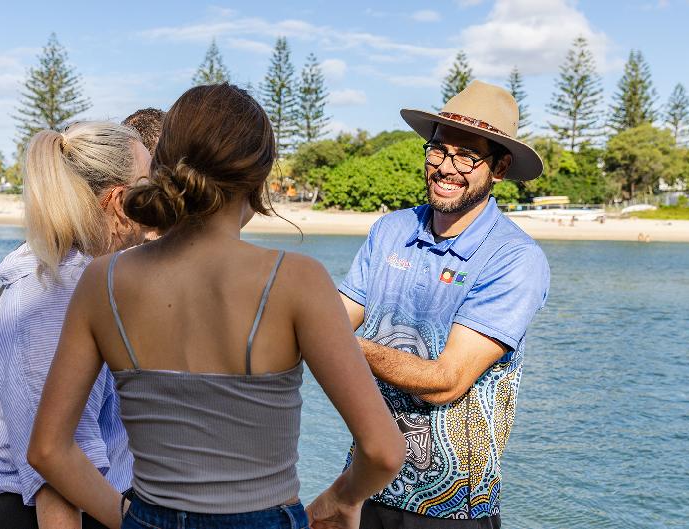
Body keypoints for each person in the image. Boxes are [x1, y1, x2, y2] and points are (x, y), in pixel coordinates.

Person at [27, 83, 405, 529]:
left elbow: (48, 450)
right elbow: (383, 450)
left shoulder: (103, 281)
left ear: (163, 166)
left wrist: (127, 517)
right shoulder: (296, 280)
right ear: (259, 177)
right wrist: (338, 500)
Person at [339, 81, 551, 528]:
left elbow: (447, 381)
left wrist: (339, 343)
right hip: (365, 485)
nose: (446, 167)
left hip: (452, 510)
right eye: (438, 150)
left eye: (467, 156)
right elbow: (335, 316)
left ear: (500, 167)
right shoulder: (390, 231)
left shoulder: (515, 258)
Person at [0, 121, 152, 529]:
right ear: (119, 201)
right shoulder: (53, 295)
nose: (160, 202)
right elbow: (57, 472)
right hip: (47, 516)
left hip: (89, 505)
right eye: (148, 186)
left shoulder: (83, 279)